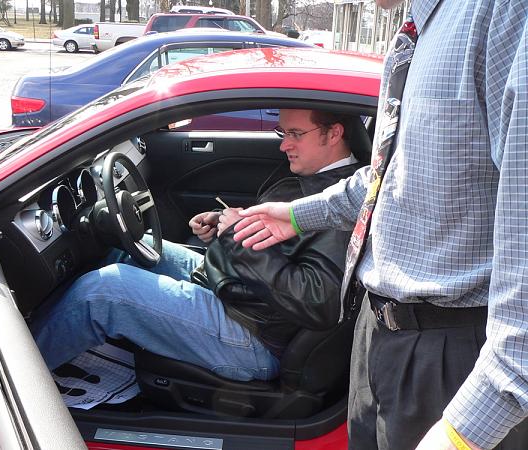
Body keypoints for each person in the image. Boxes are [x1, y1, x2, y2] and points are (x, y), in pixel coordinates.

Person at [233, 1, 528, 449]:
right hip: (380, 339)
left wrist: (467, 431)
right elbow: (390, 178)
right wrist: (296, 214)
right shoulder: (416, 28)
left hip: (452, 364)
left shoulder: (503, 13)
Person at [30, 109, 365, 383]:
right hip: (232, 288)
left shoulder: (340, 206)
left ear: (333, 133)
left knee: (102, 291)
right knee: (123, 246)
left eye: (295, 134)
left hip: (253, 333)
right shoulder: (314, 178)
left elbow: (318, 301)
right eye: (282, 133)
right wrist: (223, 224)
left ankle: (14, 384)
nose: (283, 145)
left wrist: (236, 238)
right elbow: (277, 236)